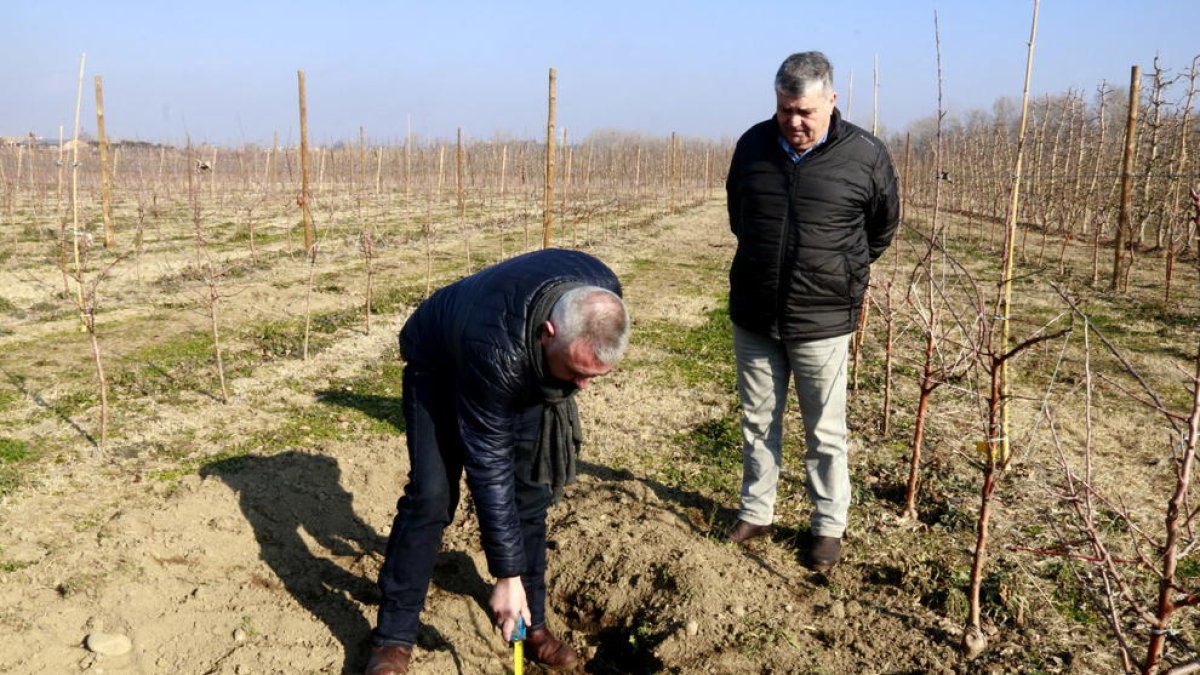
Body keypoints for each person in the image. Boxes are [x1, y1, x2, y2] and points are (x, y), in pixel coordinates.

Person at [366, 248, 630, 675]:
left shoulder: (601, 293)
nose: (581, 387)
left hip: (517, 359)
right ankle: (394, 637)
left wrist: (564, 370)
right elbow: (488, 470)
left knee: (530, 495)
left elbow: (515, 485)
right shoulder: (499, 351)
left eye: (593, 375)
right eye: (577, 371)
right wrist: (507, 577)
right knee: (432, 497)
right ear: (548, 331)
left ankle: (533, 625)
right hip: (440, 363)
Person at [723, 51, 900, 571]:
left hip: (821, 317)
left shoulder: (866, 154)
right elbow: (741, 216)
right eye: (785, 110)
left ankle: (827, 526)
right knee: (758, 421)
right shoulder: (752, 146)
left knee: (825, 431)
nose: (794, 123)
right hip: (755, 311)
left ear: (832, 101)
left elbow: (882, 227)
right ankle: (757, 511)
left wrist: (839, 271)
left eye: (805, 112)